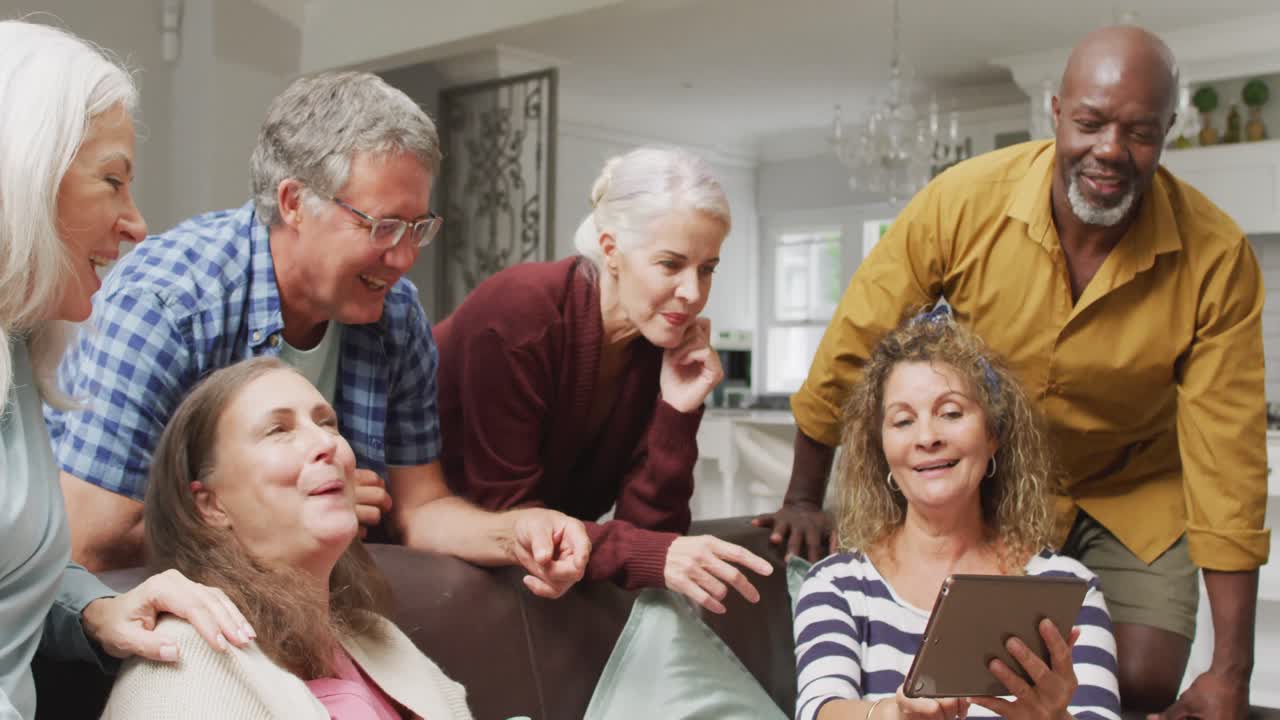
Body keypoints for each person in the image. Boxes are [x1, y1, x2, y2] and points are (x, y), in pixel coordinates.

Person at [763, 24, 1266, 719]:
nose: (1110, 151)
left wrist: (1230, 670)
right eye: (1089, 123)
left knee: (1139, 677)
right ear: (1055, 113)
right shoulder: (962, 202)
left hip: (1134, 482)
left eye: (1140, 132)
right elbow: (859, 340)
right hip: (997, 471)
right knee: (968, 661)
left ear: (1168, 131)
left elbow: (1228, 460)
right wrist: (801, 494)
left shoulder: (1217, 257)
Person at [46, 70, 588, 597]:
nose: (402, 258)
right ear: (293, 203)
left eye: (417, 228)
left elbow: (420, 510)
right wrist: (294, 516)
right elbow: (94, 541)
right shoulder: (169, 302)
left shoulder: (397, 316)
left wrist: (519, 532)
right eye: (382, 226)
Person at [0, 19, 257, 720]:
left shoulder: (18, 349)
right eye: (111, 181)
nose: (137, 223)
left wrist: (94, 607)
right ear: (22, 173)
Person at [434, 147, 772, 611]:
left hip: (536, 583)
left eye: (707, 269)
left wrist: (677, 410)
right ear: (611, 250)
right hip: (422, 565)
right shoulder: (518, 314)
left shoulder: (663, 350)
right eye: (670, 265)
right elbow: (513, 523)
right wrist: (643, 553)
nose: (693, 293)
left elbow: (652, 538)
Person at [793, 308, 1119, 720]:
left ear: (994, 435)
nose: (927, 437)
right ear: (882, 450)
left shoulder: (1069, 589)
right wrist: (897, 714)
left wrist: (1055, 719)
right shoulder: (837, 585)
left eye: (951, 413)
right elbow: (820, 711)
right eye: (903, 421)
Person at [102, 357, 473, 718]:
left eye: (327, 423)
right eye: (278, 430)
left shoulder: (377, 636)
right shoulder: (177, 657)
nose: (327, 444)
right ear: (211, 504)